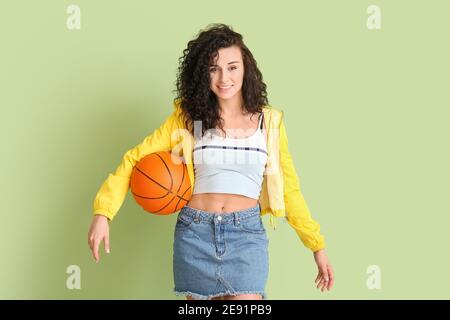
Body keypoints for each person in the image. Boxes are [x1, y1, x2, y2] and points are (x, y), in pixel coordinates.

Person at [88, 23, 334, 300]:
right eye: (213, 68)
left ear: (246, 69)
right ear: (201, 73)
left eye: (232, 67)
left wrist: (317, 245)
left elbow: (289, 189)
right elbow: (135, 158)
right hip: (195, 233)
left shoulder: (270, 122)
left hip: (246, 236)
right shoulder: (187, 118)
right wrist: (103, 213)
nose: (223, 77)